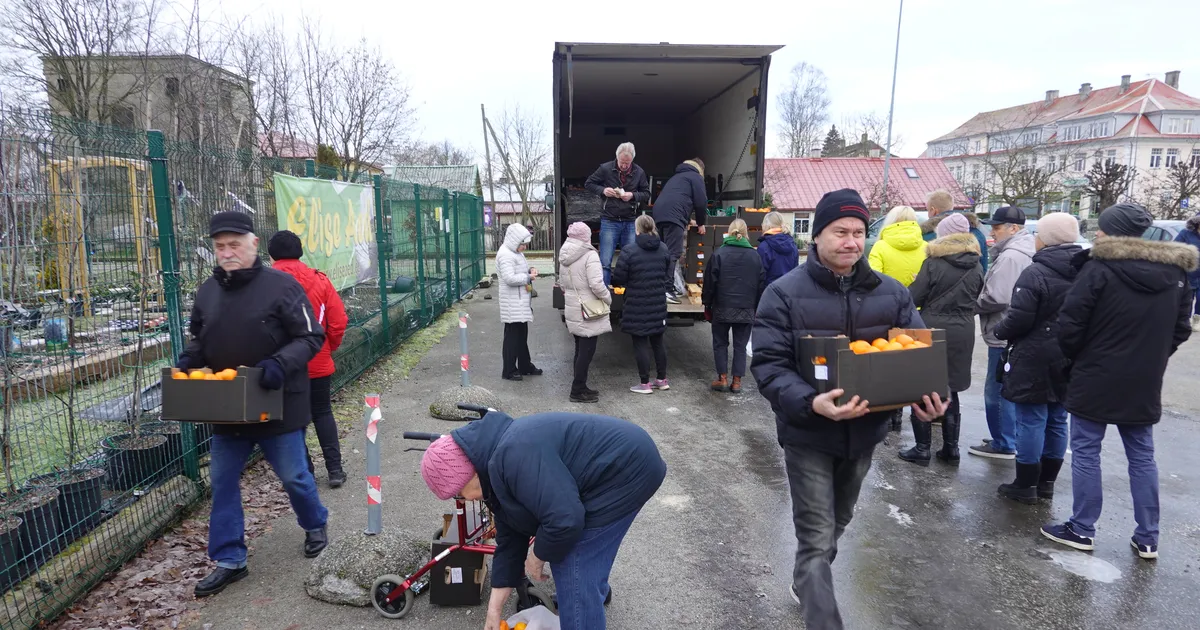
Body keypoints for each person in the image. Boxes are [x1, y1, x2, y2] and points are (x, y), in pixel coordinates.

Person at [751, 188, 947, 630]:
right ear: (817, 235)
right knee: (817, 531)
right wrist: (810, 402)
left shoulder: (892, 293)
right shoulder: (782, 294)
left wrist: (931, 399)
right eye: (841, 232)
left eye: (858, 232)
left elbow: (918, 356)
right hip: (808, 433)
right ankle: (821, 611)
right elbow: (768, 365)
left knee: (839, 520)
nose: (851, 241)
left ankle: (807, 578)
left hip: (864, 432)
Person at [179, 212, 328, 598]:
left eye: (234, 245)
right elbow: (199, 338)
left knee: (294, 477)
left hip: (278, 403)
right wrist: (190, 359)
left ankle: (314, 523)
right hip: (228, 406)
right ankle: (230, 559)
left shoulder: (282, 286)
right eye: (220, 247)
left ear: (253, 244)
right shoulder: (207, 291)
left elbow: (311, 336)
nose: (227, 252)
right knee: (222, 481)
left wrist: (279, 364)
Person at [1041, 203, 1196, 560]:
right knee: (1142, 454)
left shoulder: (1098, 268)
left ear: (1114, 231)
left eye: (1102, 227)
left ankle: (1082, 528)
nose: (1096, 232)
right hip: (1144, 377)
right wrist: (1153, 357)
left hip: (1094, 373)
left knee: (1086, 451)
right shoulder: (1176, 272)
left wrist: (1078, 358)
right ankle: (1148, 537)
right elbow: (1181, 328)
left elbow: (1070, 324)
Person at [418, 410, 666, 630]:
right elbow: (510, 540)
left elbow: (565, 520)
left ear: (468, 474)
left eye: (459, 494)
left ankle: (584, 602)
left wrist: (537, 556)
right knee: (575, 557)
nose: (464, 501)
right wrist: (494, 611)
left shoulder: (513, 456)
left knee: (570, 561)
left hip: (627, 469)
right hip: (619, 464)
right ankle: (591, 592)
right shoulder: (492, 469)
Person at [990, 213, 1082, 503]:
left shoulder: (1036, 272)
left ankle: (1026, 483)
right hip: (1070, 353)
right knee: (1058, 418)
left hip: (1034, 354)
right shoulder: (1086, 270)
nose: (1035, 238)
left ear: (1048, 238)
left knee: (1031, 418)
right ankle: (1047, 483)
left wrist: (999, 330)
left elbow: (1019, 318)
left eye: (1038, 233)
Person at [898, 213, 983, 466]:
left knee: (924, 386)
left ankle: (922, 448)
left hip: (932, 328)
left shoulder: (933, 263)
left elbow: (914, 298)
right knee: (951, 387)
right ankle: (951, 449)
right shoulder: (977, 264)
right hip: (964, 329)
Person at [268, 230, 349, 489]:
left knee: (290, 419)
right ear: (300, 252)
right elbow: (338, 320)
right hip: (317, 359)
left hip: (281, 365)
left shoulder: (265, 284)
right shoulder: (320, 280)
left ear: (271, 255)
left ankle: (306, 473)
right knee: (322, 412)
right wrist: (327, 347)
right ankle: (335, 470)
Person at [971, 206, 1035, 459]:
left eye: (997, 228)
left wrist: (971, 305)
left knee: (997, 389)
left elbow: (997, 296)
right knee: (1006, 387)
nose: (992, 232)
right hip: (1013, 329)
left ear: (1014, 229)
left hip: (1003, 329)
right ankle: (1007, 435)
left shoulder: (1011, 256)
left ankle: (1004, 442)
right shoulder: (1023, 249)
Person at [702, 218, 765, 394]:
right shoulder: (755, 256)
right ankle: (737, 381)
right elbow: (761, 284)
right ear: (746, 233)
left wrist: (707, 304)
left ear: (729, 233)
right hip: (746, 308)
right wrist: (757, 307)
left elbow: (710, 283)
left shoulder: (719, 254)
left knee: (720, 343)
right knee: (740, 346)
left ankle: (722, 378)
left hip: (722, 307)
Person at [611, 215, 672, 394]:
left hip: (636, 303)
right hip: (658, 302)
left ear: (637, 230)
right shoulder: (663, 248)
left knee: (640, 343)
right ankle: (662, 379)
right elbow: (667, 273)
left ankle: (644, 383)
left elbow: (619, 278)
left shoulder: (629, 251)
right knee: (658, 342)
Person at [558, 221, 612, 403]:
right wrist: (608, 298)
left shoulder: (564, 254)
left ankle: (581, 386)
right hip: (588, 309)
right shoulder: (590, 255)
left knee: (580, 350)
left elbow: (562, 284)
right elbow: (597, 284)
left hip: (573, 307)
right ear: (586, 236)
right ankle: (576, 391)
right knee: (586, 352)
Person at [584, 143, 651, 286]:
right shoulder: (605, 168)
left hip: (630, 220)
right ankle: (604, 293)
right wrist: (603, 190)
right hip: (609, 219)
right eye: (622, 162)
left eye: (628, 163)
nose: (624, 166)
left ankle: (629, 292)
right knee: (605, 261)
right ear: (617, 157)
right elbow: (589, 183)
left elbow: (646, 194)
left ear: (632, 160)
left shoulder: (639, 172)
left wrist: (632, 195)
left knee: (631, 260)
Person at [651, 158, 708, 303]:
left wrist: (688, 221)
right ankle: (667, 290)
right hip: (673, 217)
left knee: (662, 252)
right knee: (673, 253)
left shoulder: (677, 177)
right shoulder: (696, 177)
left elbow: (677, 200)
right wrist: (701, 223)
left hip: (659, 214)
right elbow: (701, 202)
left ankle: (658, 287)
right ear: (700, 169)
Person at [496, 223, 542, 381]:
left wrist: (529, 271)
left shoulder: (515, 252)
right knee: (512, 337)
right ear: (515, 241)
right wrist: (528, 277)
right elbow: (509, 278)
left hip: (519, 301)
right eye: (523, 244)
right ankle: (509, 370)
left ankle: (524, 365)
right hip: (512, 302)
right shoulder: (505, 255)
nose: (525, 247)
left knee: (521, 335)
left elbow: (518, 272)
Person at [920, 189, 988, 273]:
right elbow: (983, 268)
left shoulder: (928, 236)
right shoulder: (978, 233)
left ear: (933, 210)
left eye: (928, 210)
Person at [868, 205, 928, 287]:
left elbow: (874, 279)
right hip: (919, 294)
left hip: (889, 293)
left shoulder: (880, 246)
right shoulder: (927, 247)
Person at [1173, 213, 1200, 331]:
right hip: (1189, 271)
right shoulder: (1186, 233)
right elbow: (1175, 247)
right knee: (1188, 297)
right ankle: (1185, 319)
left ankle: (1197, 319)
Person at [757, 211, 800, 286]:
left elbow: (760, 276)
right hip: (788, 289)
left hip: (769, 290)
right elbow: (796, 273)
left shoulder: (764, 247)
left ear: (766, 226)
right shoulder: (793, 245)